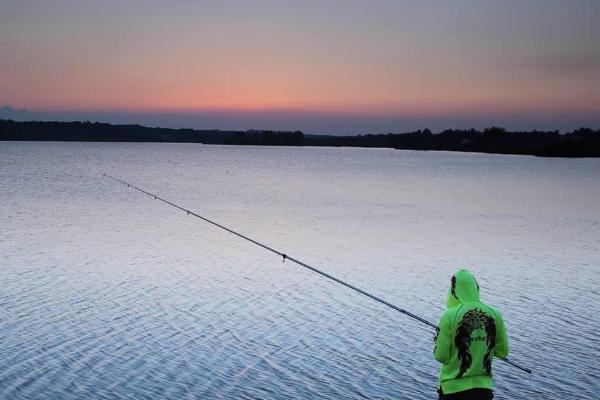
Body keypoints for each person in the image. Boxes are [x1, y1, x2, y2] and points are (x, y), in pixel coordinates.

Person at [434, 269, 508, 399]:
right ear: (476, 288)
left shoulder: (449, 316)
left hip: (452, 391)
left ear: (453, 290)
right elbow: (502, 352)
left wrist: (438, 340)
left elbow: (441, 356)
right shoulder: (495, 314)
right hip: (483, 391)